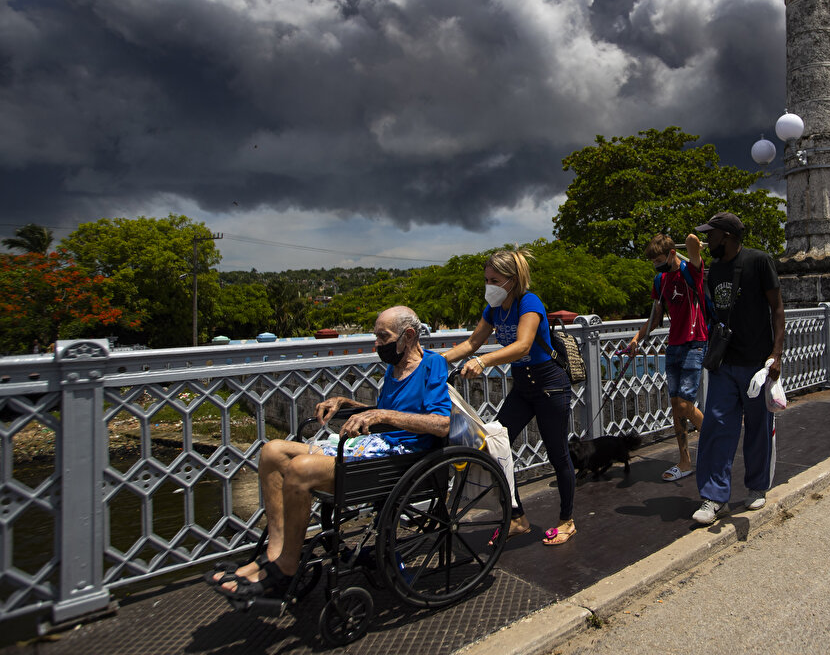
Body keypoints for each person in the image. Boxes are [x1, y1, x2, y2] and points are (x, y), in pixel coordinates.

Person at [210, 306, 451, 598]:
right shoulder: (394, 368)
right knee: (272, 452)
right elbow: (384, 412)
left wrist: (381, 417)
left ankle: (286, 567)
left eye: (382, 336)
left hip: (402, 458)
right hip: (373, 447)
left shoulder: (432, 365)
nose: (376, 344)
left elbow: (441, 423)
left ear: (408, 336)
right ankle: (276, 554)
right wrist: (346, 404)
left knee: (301, 468)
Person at [440, 249, 577, 546]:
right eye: (486, 279)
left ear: (512, 281)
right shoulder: (493, 307)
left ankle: (567, 520)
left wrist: (483, 362)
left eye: (494, 279)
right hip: (524, 387)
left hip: (549, 384)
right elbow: (472, 342)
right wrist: (436, 363)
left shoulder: (530, 302)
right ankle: (517, 517)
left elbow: (524, 345)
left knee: (558, 454)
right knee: (496, 447)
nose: (488, 285)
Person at [690, 212, 785, 526]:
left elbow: (777, 308)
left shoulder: (759, 261)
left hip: (756, 365)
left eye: (712, 235)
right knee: (717, 427)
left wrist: (777, 354)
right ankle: (715, 497)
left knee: (758, 428)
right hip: (725, 364)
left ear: (727, 236)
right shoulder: (714, 270)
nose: (708, 241)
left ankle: (757, 486)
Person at [627, 233, 706, 482]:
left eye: (659, 259)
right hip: (674, 345)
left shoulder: (690, 271)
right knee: (676, 407)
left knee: (685, 404)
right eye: (653, 261)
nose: (655, 265)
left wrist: (693, 242)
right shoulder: (660, 279)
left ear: (672, 254)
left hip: (695, 342)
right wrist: (637, 338)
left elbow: (694, 249)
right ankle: (684, 461)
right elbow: (656, 317)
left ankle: (716, 442)